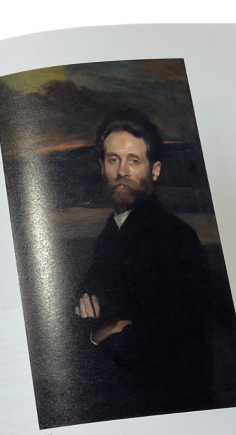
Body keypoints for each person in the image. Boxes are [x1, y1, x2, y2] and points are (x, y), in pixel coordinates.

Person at [73, 109, 214, 419]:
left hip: (164, 404)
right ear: (102, 167)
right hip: (114, 401)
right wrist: (100, 332)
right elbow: (79, 313)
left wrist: (98, 334)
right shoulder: (108, 235)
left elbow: (172, 338)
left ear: (155, 170)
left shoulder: (177, 238)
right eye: (113, 159)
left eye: (134, 161)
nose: (122, 171)